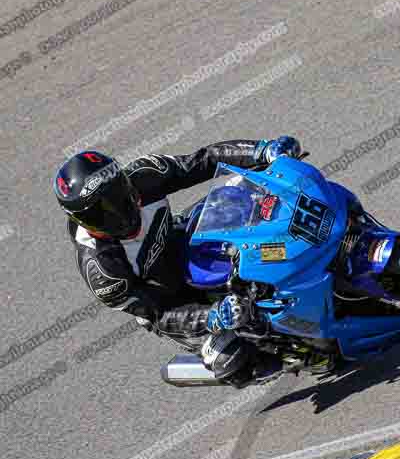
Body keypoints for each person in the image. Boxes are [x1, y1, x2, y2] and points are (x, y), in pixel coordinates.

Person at [54, 136, 321, 387]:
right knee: (232, 359)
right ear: (82, 220)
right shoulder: (103, 270)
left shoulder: (144, 175)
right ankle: (295, 355)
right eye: (102, 213)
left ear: (124, 180)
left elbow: (205, 160)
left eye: (119, 195)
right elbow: (157, 314)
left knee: (249, 195)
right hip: (172, 300)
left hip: (182, 239)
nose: (119, 212)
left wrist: (261, 150)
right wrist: (213, 316)